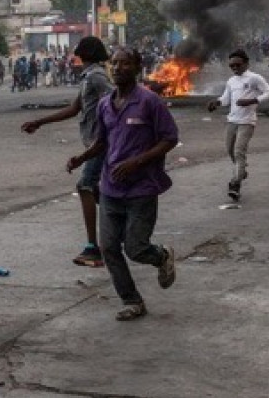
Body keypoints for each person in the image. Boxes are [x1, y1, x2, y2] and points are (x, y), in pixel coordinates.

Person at [66, 48, 179, 321]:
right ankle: (132, 301)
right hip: (110, 188)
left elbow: (169, 139)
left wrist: (137, 162)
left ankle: (161, 256)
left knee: (136, 248)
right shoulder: (106, 103)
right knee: (108, 248)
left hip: (141, 188)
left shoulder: (150, 102)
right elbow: (102, 141)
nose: (117, 68)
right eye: (113, 63)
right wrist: (82, 157)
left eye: (124, 63)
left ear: (137, 67)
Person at [23, 36, 114, 267]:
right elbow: (75, 108)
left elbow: (114, 101)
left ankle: (94, 248)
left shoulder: (96, 76)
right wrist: (40, 122)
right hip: (94, 143)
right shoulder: (88, 77)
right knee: (98, 191)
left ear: (84, 53)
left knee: (84, 186)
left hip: (100, 144)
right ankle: (118, 230)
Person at [208, 49, 269, 202]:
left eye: (237, 64)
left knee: (239, 152)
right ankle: (241, 171)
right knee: (230, 151)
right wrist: (216, 102)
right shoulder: (231, 81)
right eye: (232, 66)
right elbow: (226, 99)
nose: (235, 68)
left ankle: (235, 184)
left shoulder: (254, 78)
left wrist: (252, 101)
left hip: (247, 122)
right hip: (232, 120)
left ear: (246, 63)